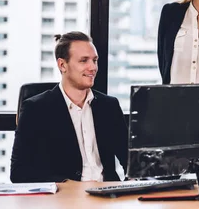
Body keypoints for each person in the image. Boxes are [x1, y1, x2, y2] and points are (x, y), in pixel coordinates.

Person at [10, 31, 128, 183]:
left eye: (95, 60)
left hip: (107, 197)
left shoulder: (109, 106)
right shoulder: (36, 109)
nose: (93, 67)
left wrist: (131, 185)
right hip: (63, 199)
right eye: (84, 61)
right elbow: (19, 172)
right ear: (62, 65)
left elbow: (130, 161)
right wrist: (67, 185)